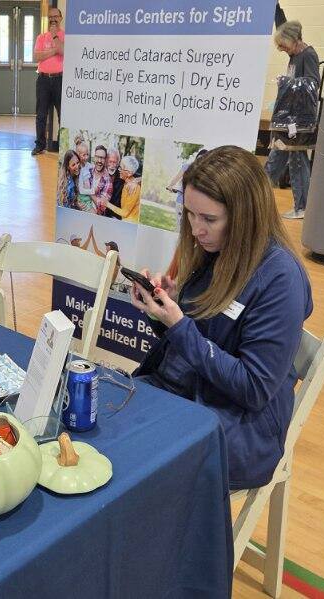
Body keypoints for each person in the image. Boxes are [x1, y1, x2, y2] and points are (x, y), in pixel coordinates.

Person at [130, 146, 313, 490]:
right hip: (190, 398)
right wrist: (162, 310)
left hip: (239, 430)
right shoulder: (217, 251)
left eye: (209, 219)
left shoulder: (281, 279)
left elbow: (253, 388)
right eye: (190, 215)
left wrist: (180, 326)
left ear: (245, 216)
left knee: (128, 463)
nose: (196, 229)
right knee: (101, 417)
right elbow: (204, 340)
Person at [265, 21, 320, 219]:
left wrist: (287, 82)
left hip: (299, 120)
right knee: (282, 157)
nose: (280, 49)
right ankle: (257, 197)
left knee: (293, 159)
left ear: (293, 40)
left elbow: (313, 84)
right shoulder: (295, 55)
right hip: (289, 118)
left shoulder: (308, 55)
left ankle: (301, 207)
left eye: (282, 45)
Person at [31, 8, 64, 156]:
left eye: (55, 16)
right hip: (43, 79)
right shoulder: (41, 37)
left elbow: (63, 51)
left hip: (59, 79)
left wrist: (55, 36)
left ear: (60, 18)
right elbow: (37, 57)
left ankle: (62, 145)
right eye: (50, 17)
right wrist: (53, 51)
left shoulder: (64, 36)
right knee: (41, 115)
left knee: (62, 114)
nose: (53, 19)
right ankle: (40, 145)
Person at [104, 156, 141, 222]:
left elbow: (124, 213)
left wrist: (107, 204)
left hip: (130, 223)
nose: (119, 170)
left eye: (121, 168)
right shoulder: (126, 182)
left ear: (129, 173)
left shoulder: (133, 188)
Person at [90, 145, 113, 214]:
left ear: (105, 160)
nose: (99, 161)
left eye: (102, 158)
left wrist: (89, 192)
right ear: (94, 157)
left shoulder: (108, 180)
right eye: (97, 157)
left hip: (96, 215)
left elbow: (102, 207)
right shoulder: (88, 171)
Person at [103, 148, 123, 219]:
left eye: (114, 162)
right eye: (110, 161)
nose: (112, 165)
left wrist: (135, 180)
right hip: (101, 211)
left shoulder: (122, 174)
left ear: (118, 163)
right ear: (106, 161)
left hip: (115, 214)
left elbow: (137, 175)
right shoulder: (101, 172)